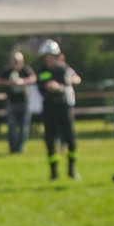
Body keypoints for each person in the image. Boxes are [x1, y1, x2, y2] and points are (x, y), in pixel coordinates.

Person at [36, 40, 81, 180]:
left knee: (71, 139)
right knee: (50, 141)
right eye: (47, 56)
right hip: (49, 107)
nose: (50, 59)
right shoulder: (41, 72)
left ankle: (71, 169)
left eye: (52, 55)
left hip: (64, 107)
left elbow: (70, 83)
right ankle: (54, 172)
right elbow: (41, 88)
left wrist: (58, 87)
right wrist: (48, 88)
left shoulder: (62, 69)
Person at [0, 51, 36, 153]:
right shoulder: (7, 71)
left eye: (18, 61)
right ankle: (12, 149)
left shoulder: (25, 70)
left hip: (24, 101)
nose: (16, 64)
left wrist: (23, 81)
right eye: (14, 61)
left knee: (24, 127)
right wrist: (9, 82)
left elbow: (34, 78)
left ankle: (20, 148)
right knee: (11, 126)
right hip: (11, 102)